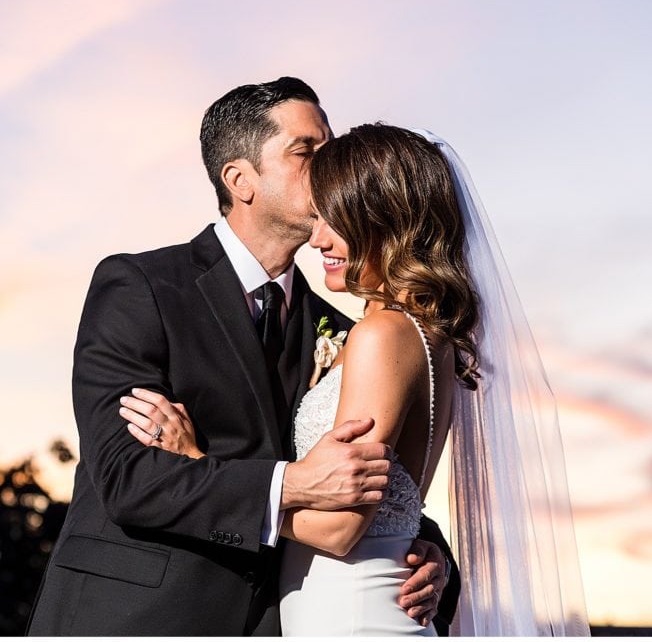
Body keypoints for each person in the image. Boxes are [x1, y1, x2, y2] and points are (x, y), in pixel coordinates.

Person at [26, 80, 455, 636]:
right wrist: (293, 486)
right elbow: (127, 477)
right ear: (240, 180)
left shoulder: (351, 333)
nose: (330, 166)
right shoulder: (142, 287)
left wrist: (427, 551)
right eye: (307, 152)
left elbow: (372, 481)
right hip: (138, 619)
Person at [126, 124, 590, 636]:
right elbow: (392, 503)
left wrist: (196, 463)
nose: (317, 239)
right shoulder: (421, 334)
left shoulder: (382, 337)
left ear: (388, 225)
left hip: (354, 617)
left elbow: (339, 528)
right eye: (319, 217)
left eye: (336, 222)